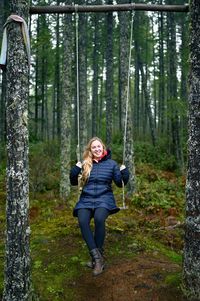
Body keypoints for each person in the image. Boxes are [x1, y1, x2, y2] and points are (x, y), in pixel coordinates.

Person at [69, 137, 129, 276]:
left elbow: (120, 184)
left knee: (99, 219)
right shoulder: (85, 163)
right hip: (86, 198)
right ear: (90, 150)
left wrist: (125, 174)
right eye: (93, 147)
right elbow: (73, 182)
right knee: (82, 221)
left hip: (104, 198)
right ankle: (97, 258)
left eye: (99, 146)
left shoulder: (112, 164)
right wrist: (75, 169)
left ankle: (97, 259)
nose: (97, 149)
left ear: (103, 148)